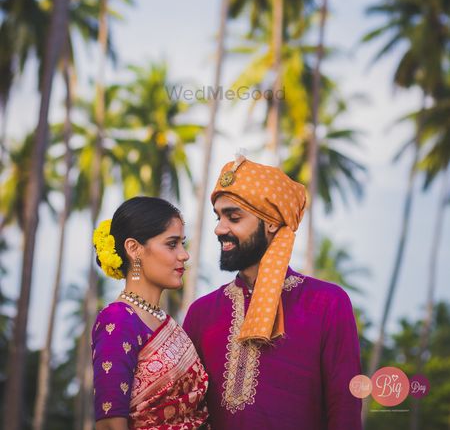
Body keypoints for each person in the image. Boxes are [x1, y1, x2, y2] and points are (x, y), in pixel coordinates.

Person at [183, 155, 362, 430]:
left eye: (233, 216)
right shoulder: (202, 313)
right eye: (218, 216)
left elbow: (345, 410)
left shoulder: (326, 303)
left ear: (270, 222)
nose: (219, 228)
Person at [91, 196, 209, 430]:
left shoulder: (167, 323)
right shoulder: (117, 320)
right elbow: (110, 423)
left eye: (182, 243)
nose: (184, 255)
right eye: (172, 244)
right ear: (134, 249)